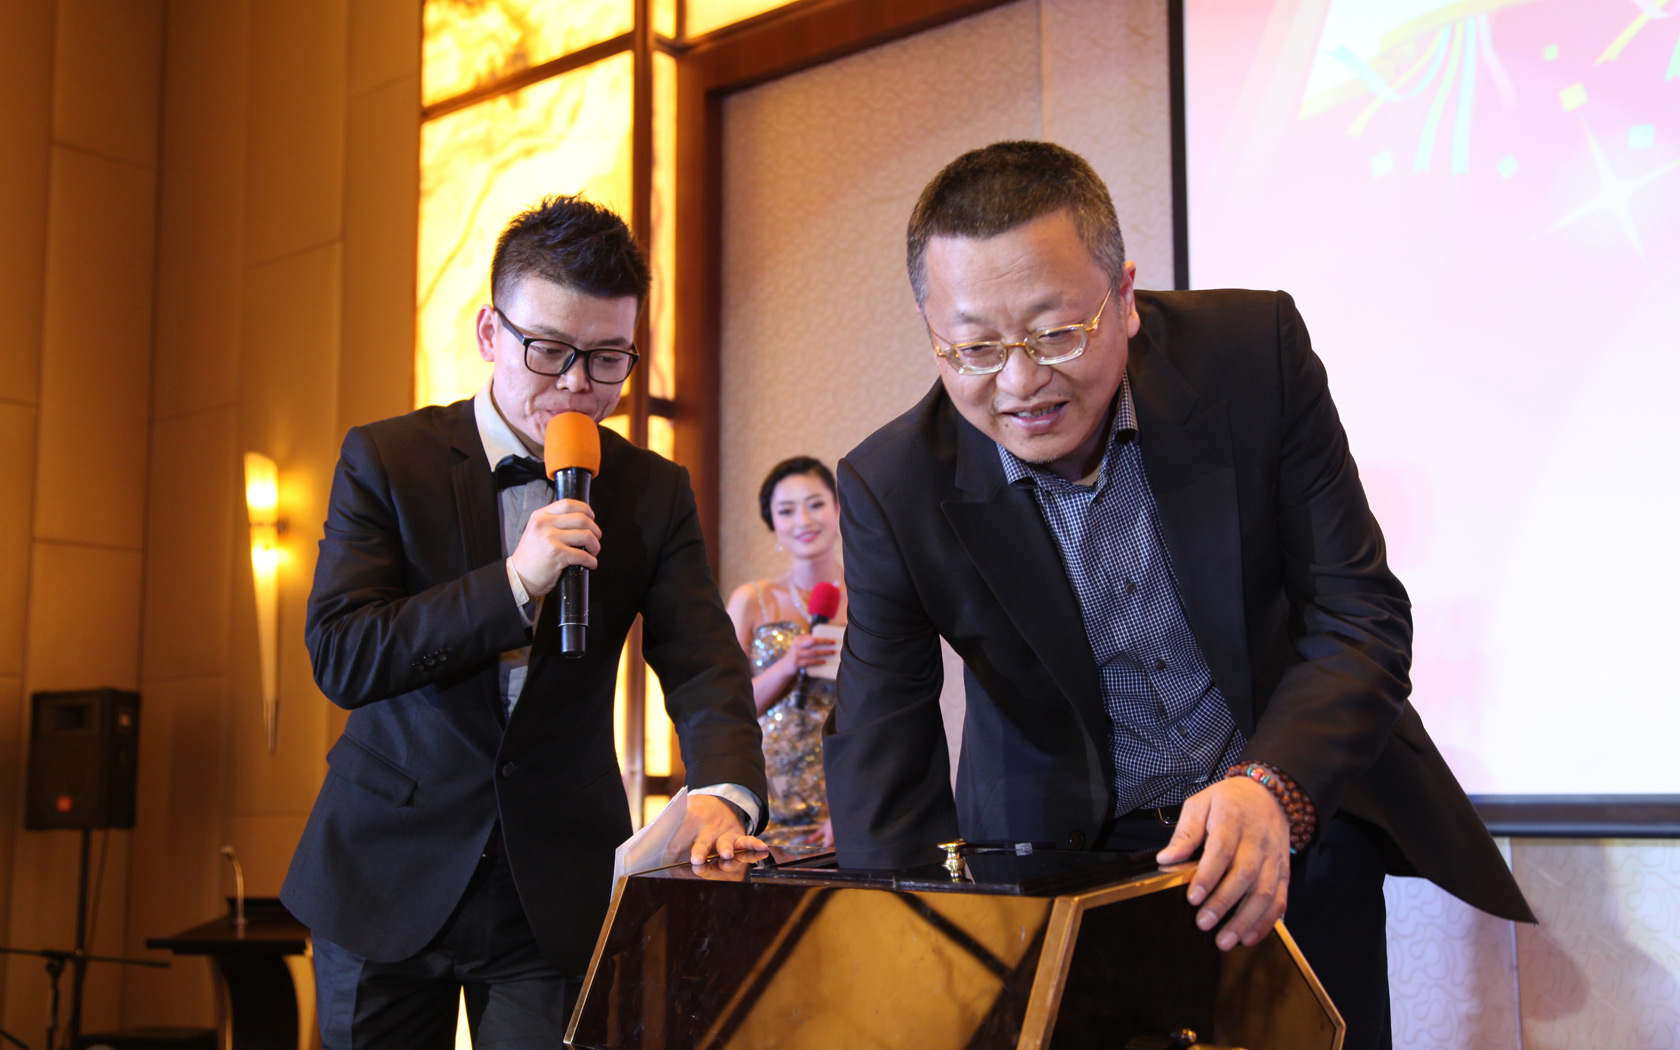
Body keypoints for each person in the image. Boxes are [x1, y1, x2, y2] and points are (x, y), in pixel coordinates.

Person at [822, 142, 1533, 1050]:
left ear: (1123, 297)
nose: (1020, 383)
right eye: (974, 348)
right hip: (1063, 867)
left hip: (1284, 823)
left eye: (1055, 334)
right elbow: (882, 749)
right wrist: (912, 967)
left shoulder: (1252, 356)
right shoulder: (892, 484)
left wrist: (1270, 787)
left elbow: (1359, 615)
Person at [282, 194, 768, 1048]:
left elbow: (702, 660)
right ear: (489, 333)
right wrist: (512, 584)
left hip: (552, 883)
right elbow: (345, 654)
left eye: (608, 358)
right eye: (549, 350)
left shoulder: (652, 491)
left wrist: (725, 793)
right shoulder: (389, 459)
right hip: (386, 865)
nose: (578, 383)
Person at [725, 457, 848, 849]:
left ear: (838, 508)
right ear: (773, 524)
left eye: (816, 504)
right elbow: (726, 708)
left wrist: (853, 804)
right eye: (786, 510)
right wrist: (787, 666)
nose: (803, 520)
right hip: (763, 802)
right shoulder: (751, 601)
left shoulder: (868, 596)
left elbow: (885, 708)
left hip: (842, 800)